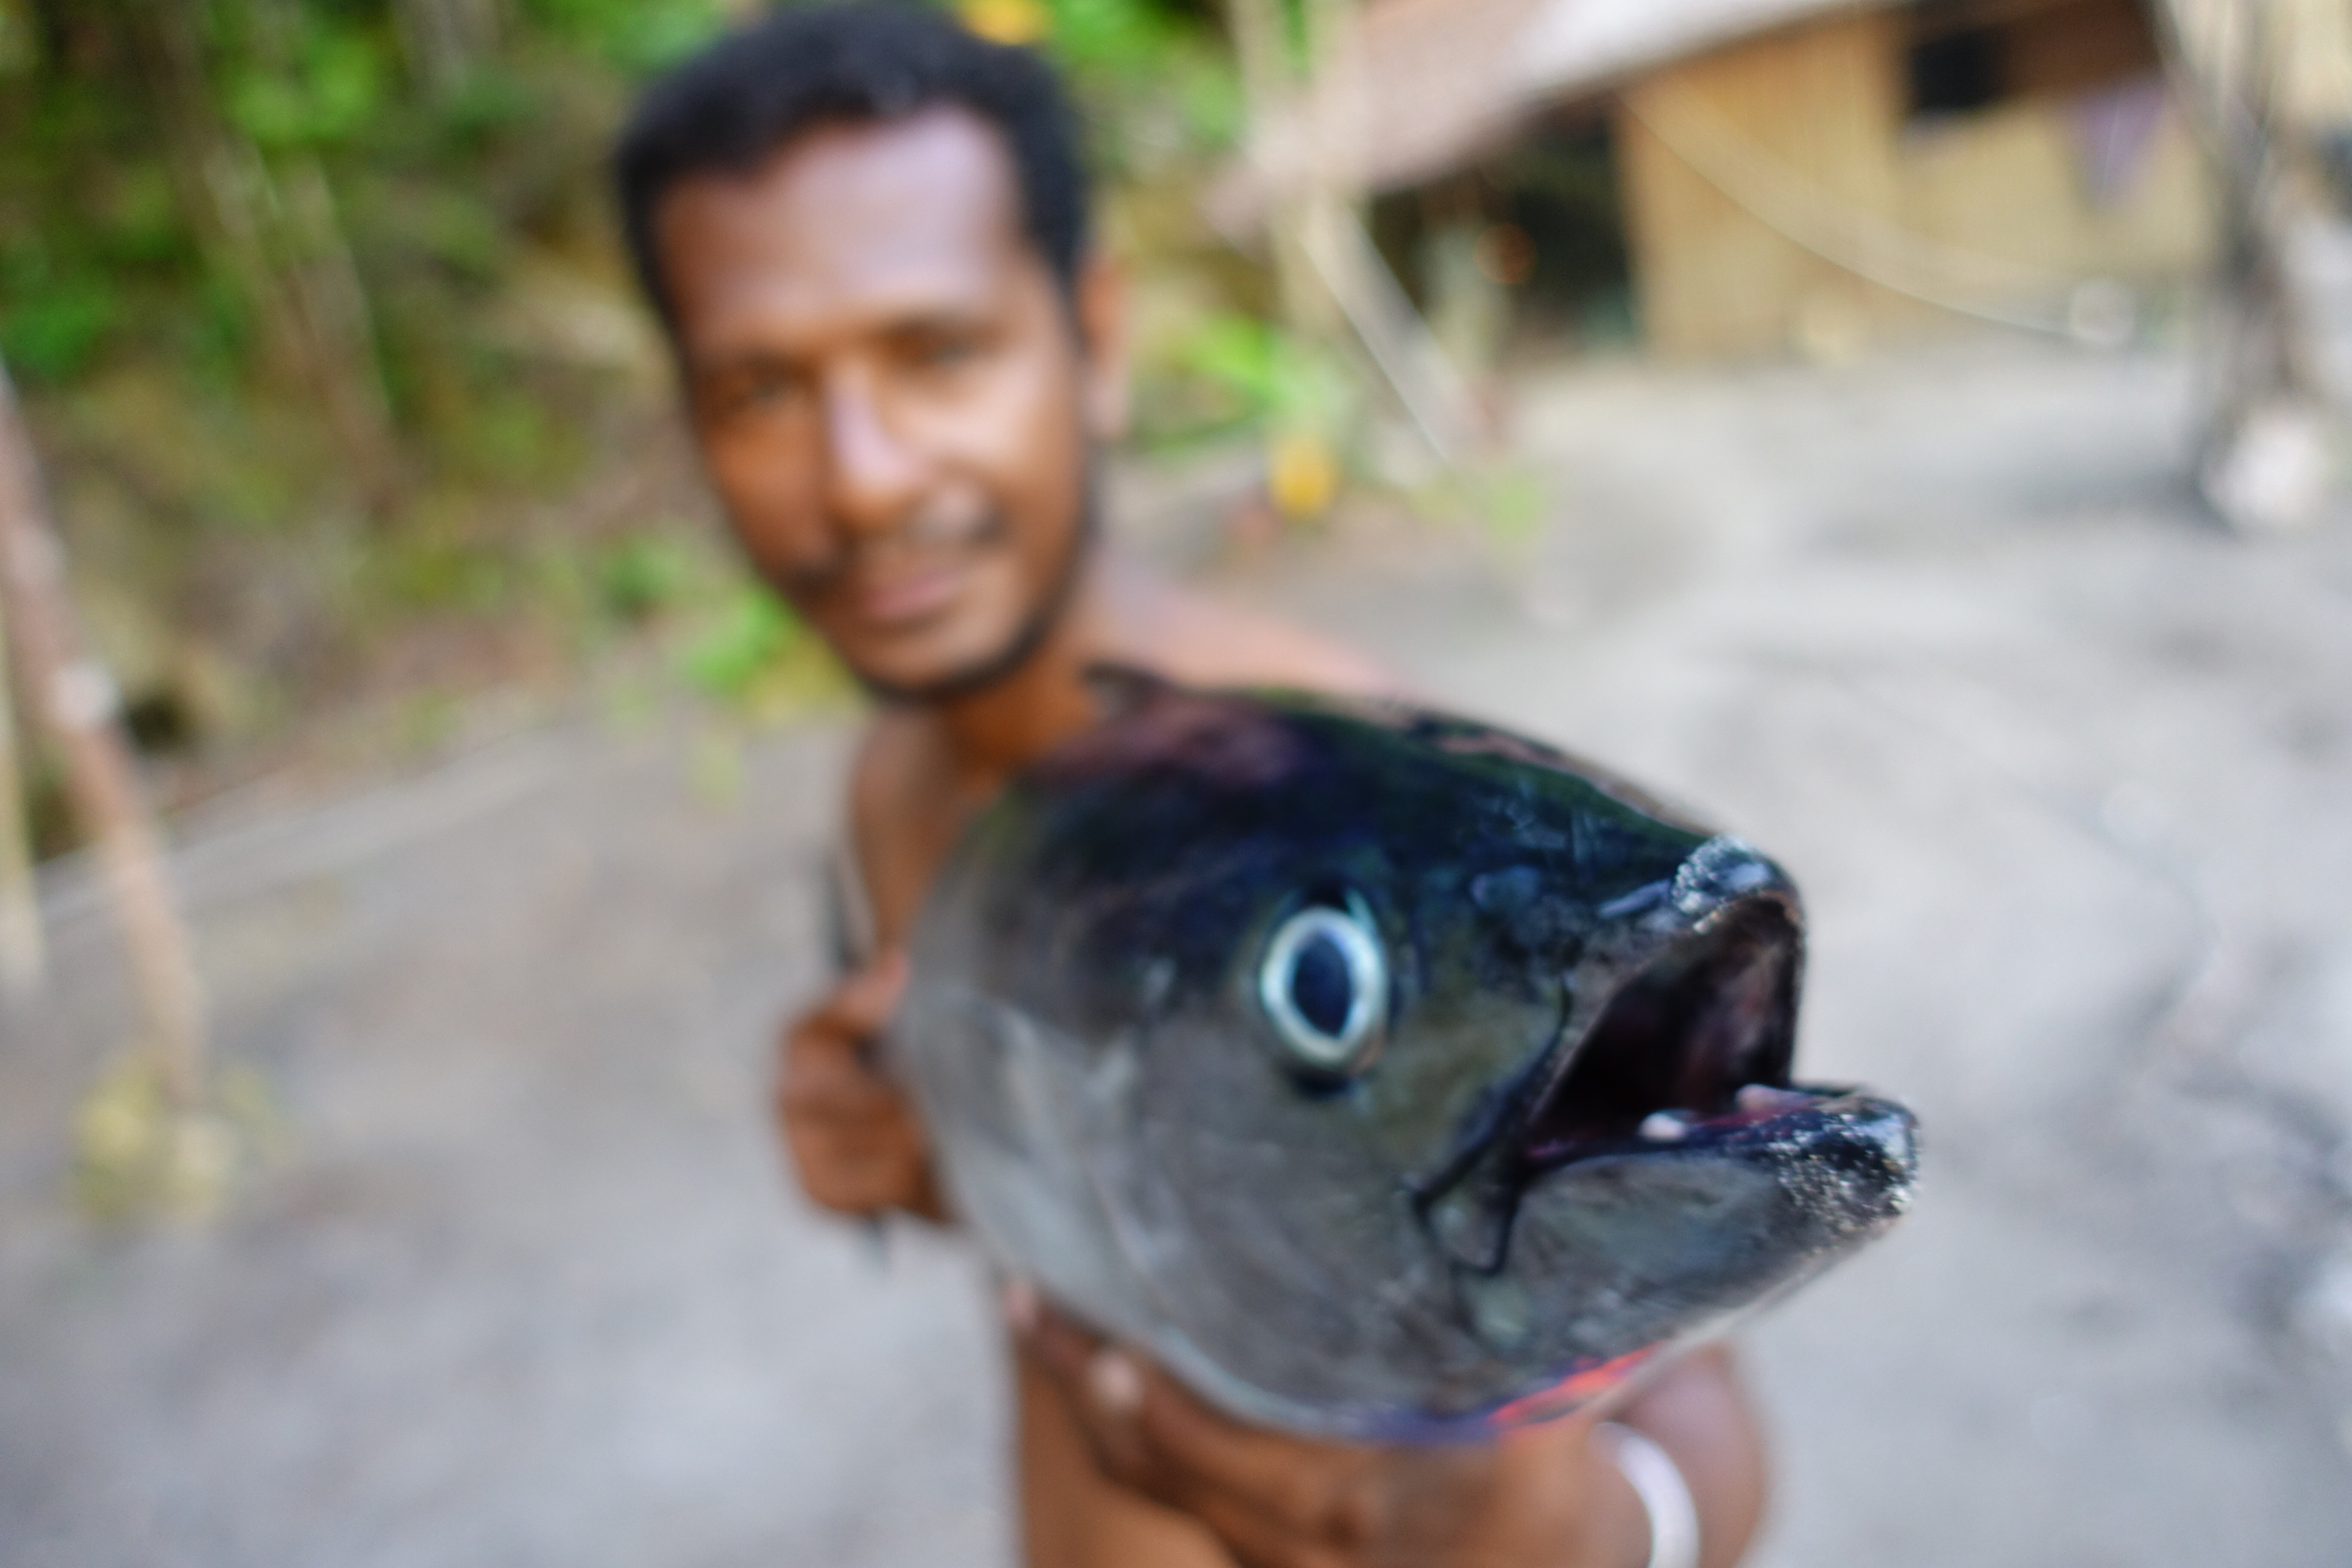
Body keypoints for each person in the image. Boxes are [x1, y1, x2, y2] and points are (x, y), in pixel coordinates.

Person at [613, 8, 1766, 1565]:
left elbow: (1712, 1434)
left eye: (938, 350)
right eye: (759, 391)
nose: (863, 474)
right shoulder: (894, 788)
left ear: (1093, 340)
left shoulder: (1377, 824)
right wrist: (916, 1143)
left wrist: (1562, 1533)